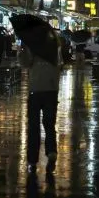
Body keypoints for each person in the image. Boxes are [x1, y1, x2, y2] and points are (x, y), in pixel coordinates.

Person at [19, 28, 62, 174]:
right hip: (51, 89)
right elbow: (60, 66)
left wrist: (23, 49)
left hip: (36, 89)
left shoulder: (33, 47)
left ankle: (32, 159)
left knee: (34, 126)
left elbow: (24, 63)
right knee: (49, 124)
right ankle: (51, 152)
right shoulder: (55, 47)